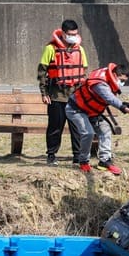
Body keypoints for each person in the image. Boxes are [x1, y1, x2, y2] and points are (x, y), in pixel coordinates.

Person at [66, 63, 129, 174]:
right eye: (122, 80)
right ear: (117, 74)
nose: (122, 83)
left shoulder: (109, 78)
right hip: (76, 109)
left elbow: (108, 98)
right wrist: (125, 109)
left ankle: (105, 160)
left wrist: (124, 104)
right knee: (88, 133)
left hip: (92, 112)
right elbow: (109, 98)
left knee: (105, 129)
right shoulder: (100, 82)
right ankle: (83, 161)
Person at [37, 19, 87, 165]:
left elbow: (83, 73)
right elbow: (42, 73)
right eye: (71, 34)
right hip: (56, 96)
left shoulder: (80, 50)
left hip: (75, 97)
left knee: (77, 128)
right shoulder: (50, 49)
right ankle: (51, 155)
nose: (74, 37)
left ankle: (77, 157)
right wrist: (44, 93)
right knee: (55, 127)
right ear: (63, 33)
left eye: (76, 34)